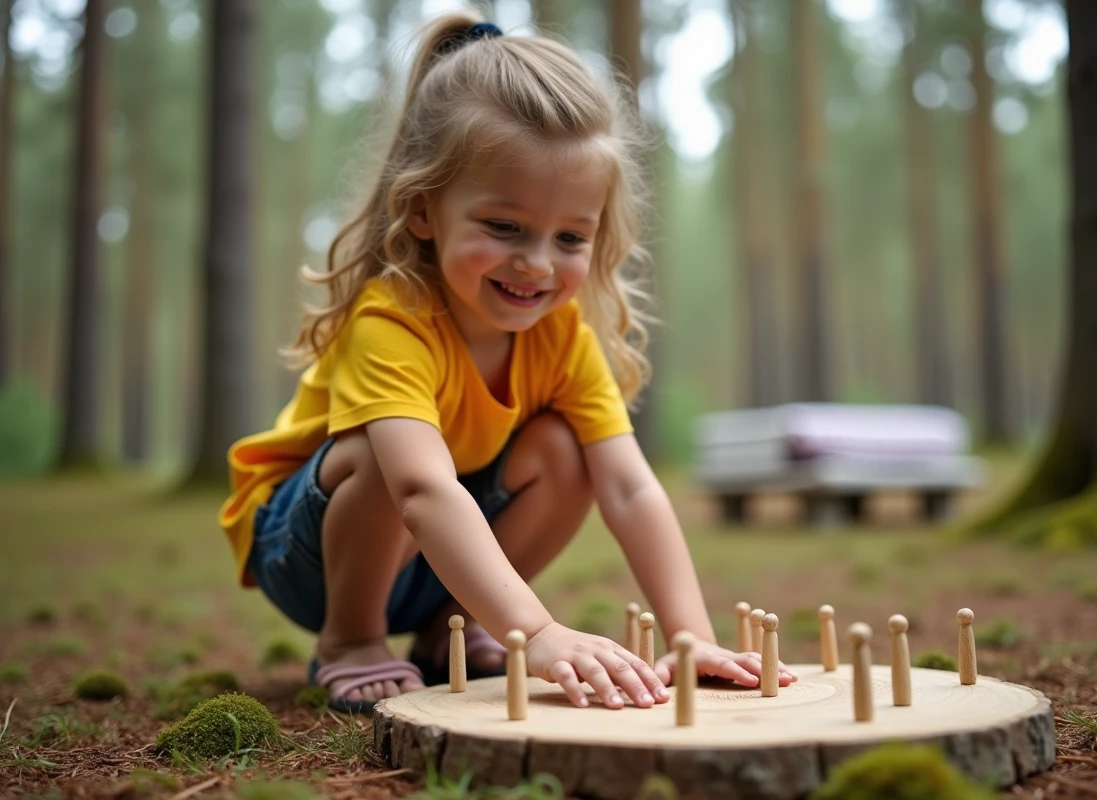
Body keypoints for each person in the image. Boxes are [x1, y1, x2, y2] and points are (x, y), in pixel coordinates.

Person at [218, 12, 794, 714]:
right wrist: (541, 632)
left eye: (570, 238)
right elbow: (420, 490)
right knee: (376, 450)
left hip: (441, 558)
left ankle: (452, 630)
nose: (537, 264)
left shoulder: (562, 337)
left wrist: (689, 636)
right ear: (423, 210)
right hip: (310, 556)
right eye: (504, 227)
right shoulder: (391, 320)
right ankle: (351, 641)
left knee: (567, 450)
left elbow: (629, 488)